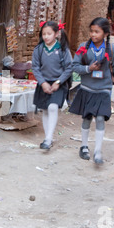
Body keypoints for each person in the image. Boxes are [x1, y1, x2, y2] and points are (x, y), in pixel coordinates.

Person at [69, 17, 114, 165]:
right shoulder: (83, 47)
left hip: (104, 89)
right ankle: (84, 146)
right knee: (87, 118)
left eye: (97, 32)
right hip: (87, 88)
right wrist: (89, 68)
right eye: (91, 31)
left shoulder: (112, 49)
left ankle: (98, 151)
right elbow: (74, 66)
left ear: (105, 33)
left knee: (100, 118)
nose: (93, 35)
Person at [31, 21, 73, 150]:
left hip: (58, 83)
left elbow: (69, 67)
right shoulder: (39, 49)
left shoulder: (62, 49)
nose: (46, 37)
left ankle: (48, 138)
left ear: (56, 33)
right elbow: (35, 67)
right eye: (44, 34)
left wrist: (58, 82)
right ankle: (47, 137)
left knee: (53, 107)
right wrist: (42, 82)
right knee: (45, 109)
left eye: (49, 34)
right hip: (43, 82)